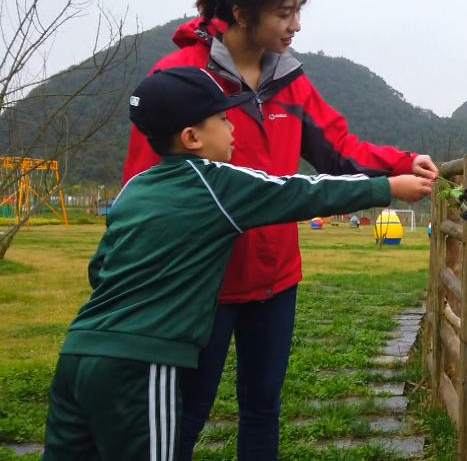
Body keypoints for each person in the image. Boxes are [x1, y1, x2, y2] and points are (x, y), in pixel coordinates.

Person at [121, 0, 439, 460]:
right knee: (187, 412)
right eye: (284, 13)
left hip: (275, 277)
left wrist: (402, 161)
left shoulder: (290, 81)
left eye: (298, 12)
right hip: (203, 283)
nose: (295, 26)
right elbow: (146, 186)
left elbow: (340, 150)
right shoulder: (180, 80)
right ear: (243, 14)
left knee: (263, 408)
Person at [43, 67, 432, 461]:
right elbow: (303, 191)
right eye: (225, 119)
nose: (234, 129)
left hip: (78, 353)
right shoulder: (218, 184)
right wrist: (388, 186)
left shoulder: (133, 189)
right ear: (192, 137)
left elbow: (100, 268)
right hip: (141, 365)